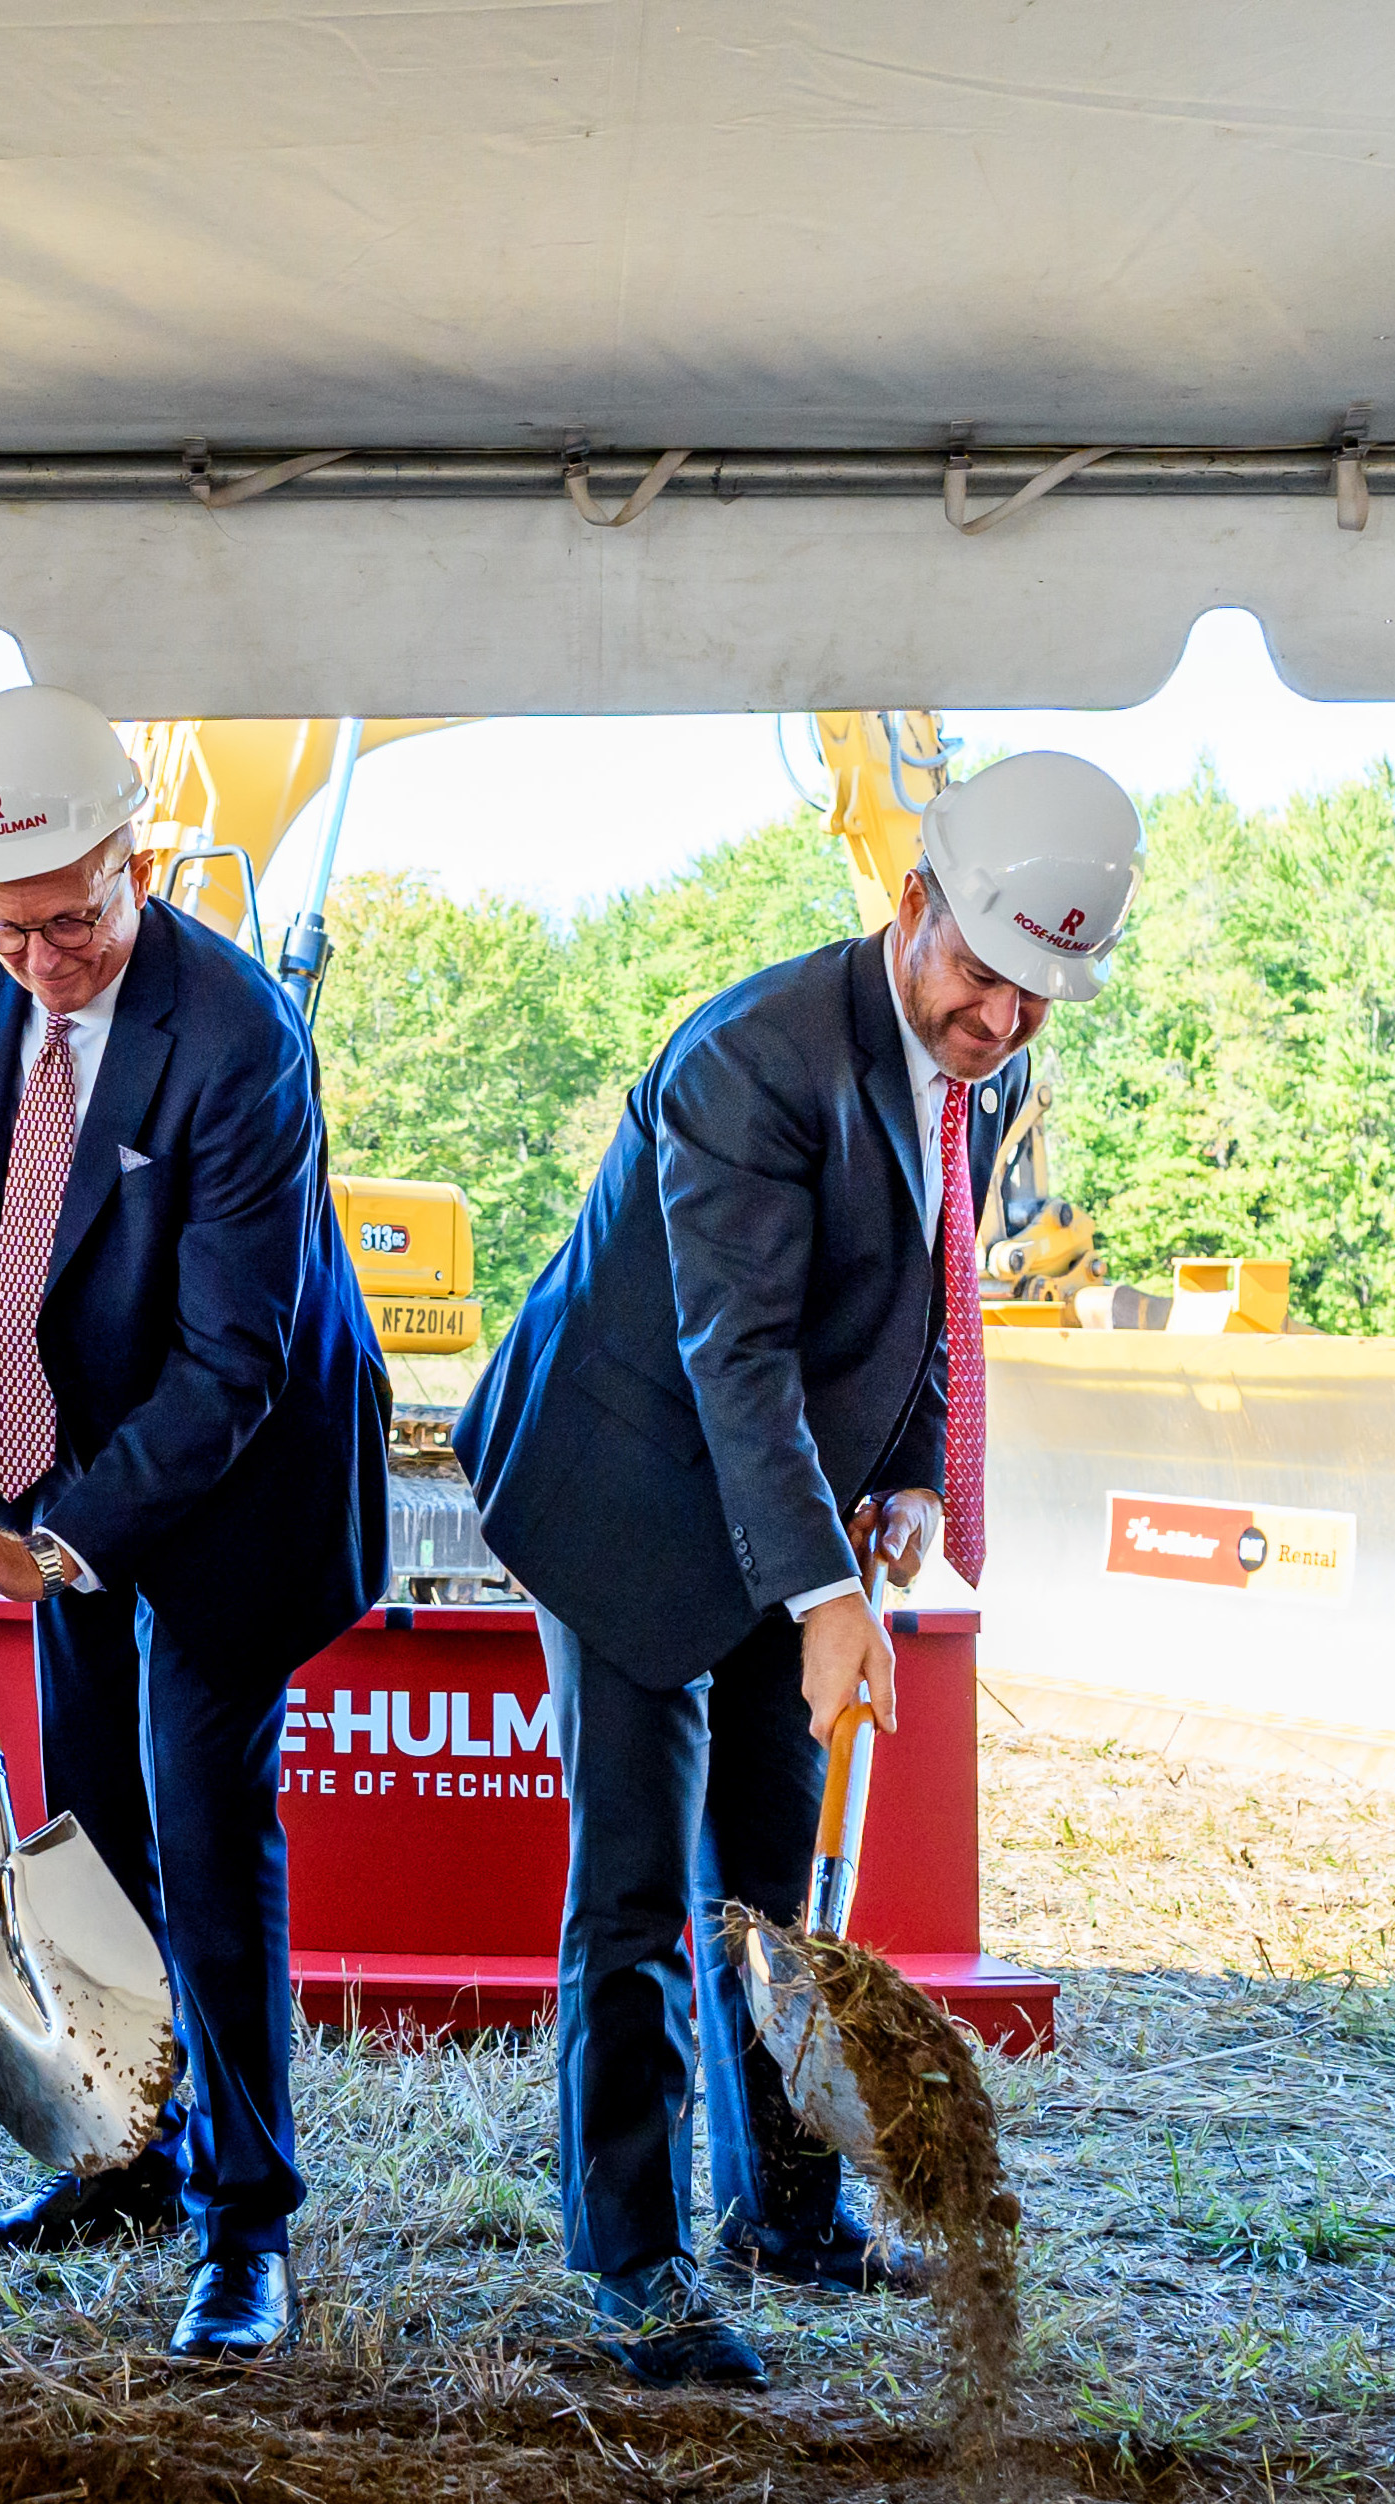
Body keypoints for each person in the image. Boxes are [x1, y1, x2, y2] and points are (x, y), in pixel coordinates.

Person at [457, 749, 1141, 2382]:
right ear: (915, 908)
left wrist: (900, 1476)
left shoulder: (972, 1071)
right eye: (983, 975)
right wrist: (827, 1597)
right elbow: (736, 1355)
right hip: (618, 1487)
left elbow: (909, 1295)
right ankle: (634, 2264)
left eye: (1041, 998)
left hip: (775, 1503)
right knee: (635, 1889)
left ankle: (787, 2212)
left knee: (767, 1885)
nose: (1002, 1018)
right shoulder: (751, 1061)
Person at [0, 686, 391, 2363]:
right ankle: (127, 2152)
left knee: (208, 1844)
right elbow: (7, 1181)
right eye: (4, 934)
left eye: (70, 921)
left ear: (133, 858)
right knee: (88, 1827)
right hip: (62, 1450)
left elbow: (234, 1361)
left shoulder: (238, 1045)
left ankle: (245, 2226)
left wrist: (58, 1545)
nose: (37, 962)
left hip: (237, 1475)